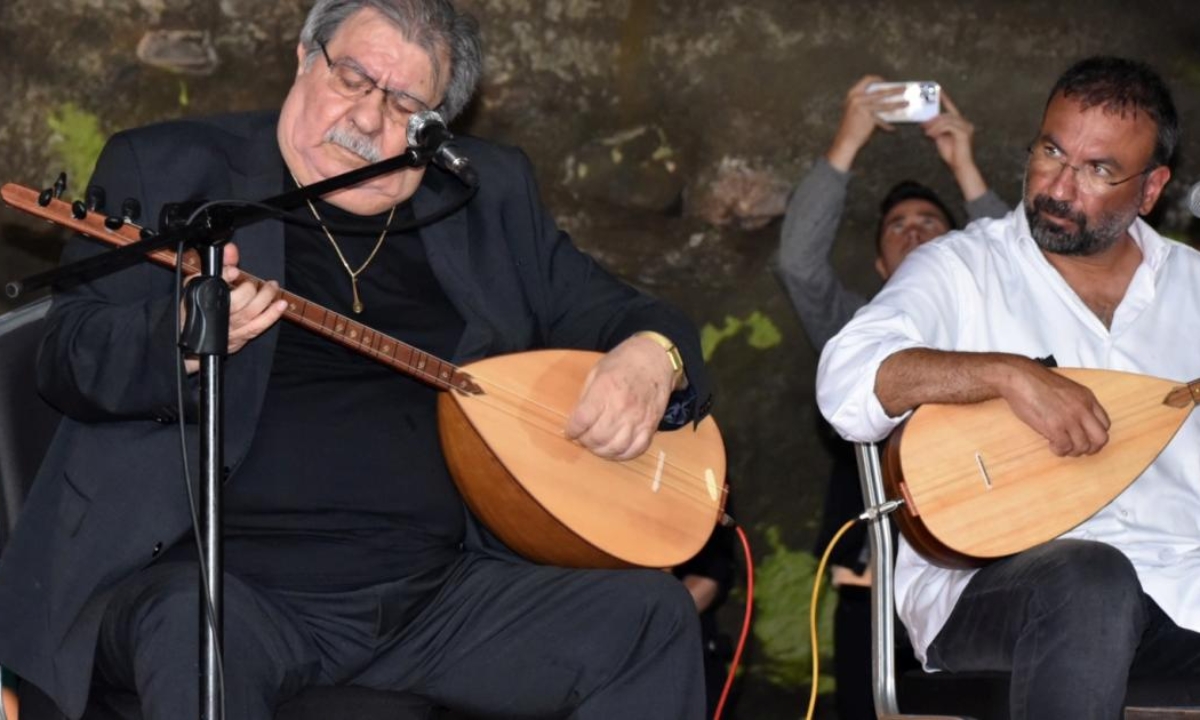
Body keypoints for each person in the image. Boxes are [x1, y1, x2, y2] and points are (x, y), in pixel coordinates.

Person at [0, 1, 718, 719]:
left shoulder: (484, 199)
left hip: (432, 599)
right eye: (351, 78)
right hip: (224, 586)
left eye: (406, 105)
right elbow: (68, 356)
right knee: (192, 628)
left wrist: (650, 358)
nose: (369, 120)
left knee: (648, 621)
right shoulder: (173, 171)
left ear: (439, 128)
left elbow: (631, 314)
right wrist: (182, 334)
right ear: (303, 58)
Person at [817, 55, 1200, 719]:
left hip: (1183, 590)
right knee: (1092, 578)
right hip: (998, 585)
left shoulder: (1192, 286)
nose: (1059, 186)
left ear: (1150, 189)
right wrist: (1004, 373)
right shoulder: (963, 268)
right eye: (1051, 151)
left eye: (1098, 170)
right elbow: (846, 379)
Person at [777, 74, 1007, 719]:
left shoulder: (995, 324)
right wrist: (847, 142)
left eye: (930, 223)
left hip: (988, 552)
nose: (913, 233)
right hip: (874, 571)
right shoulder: (855, 328)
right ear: (880, 267)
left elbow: (1022, 267)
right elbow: (798, 265)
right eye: (897, 227)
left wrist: (965, 168)